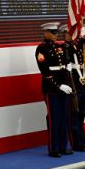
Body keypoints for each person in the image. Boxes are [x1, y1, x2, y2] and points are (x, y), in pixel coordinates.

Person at [35, 21, 73, 158]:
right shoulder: (41, 49)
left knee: (64, 117)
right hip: (51, 88)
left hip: (64, 87)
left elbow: (65, 65)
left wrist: (67, 83)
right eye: (52, 33)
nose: (55, 35)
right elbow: (45, 72)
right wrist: (58, 85)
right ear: (46, 33)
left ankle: (63, 146)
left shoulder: (60, 47)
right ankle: (54, 148)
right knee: (54, 118)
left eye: (56, 32)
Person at [60, 23, 85, 152]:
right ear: (65, 35)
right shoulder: (65, 47)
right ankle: (76, 143)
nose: (74, 36)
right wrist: (81, 39)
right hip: (73, 85)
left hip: (81, 85)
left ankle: (82, 141)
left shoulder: (77, 46)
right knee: (74, 116)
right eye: (71, 33)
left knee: (81, 115)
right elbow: (71, 54)